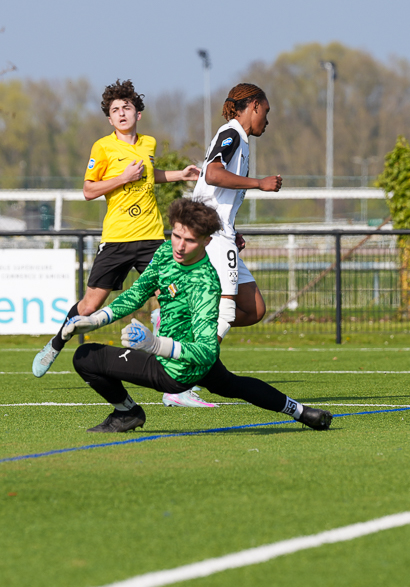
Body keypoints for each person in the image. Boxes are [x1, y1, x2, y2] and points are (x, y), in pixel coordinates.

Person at [63, 199, 332, 433]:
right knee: (235, 386)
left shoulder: (204, 283)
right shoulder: (166, 252)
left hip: (175, 369)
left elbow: (206, 351)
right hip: (194, 364)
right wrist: (95, 319)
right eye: (176, 235)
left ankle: (127, 412)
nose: (179, 246)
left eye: (189, 240)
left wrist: (155, 345)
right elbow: (137, 293)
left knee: (84, 358)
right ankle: (302, 412)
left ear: (207, 241)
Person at [31, 79, 200, 378]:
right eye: (115, 110)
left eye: (127, 107)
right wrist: (122, 177)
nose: (122, 113)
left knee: (171, 295)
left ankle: (171, 364)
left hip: (150, 236)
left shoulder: (148, 143)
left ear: (138, 114)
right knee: (88, 306)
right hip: (117, 239)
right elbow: (88, 190)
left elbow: (147, 175)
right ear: (109, 119)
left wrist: (178, 174)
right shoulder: (103, 147)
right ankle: (56, 344)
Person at [160, 82, 282, 408]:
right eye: (265, 112)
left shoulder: (239, 139)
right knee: (227, 310)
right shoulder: (230, 135)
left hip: (222, 232)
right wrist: (259, 183)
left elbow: (217, 194)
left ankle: (182, 321)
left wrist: (233, 227)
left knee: (254, 309)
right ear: (253, 105)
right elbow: (213, 175)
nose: (267, 121)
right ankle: (181, 382)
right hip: (212, 235)